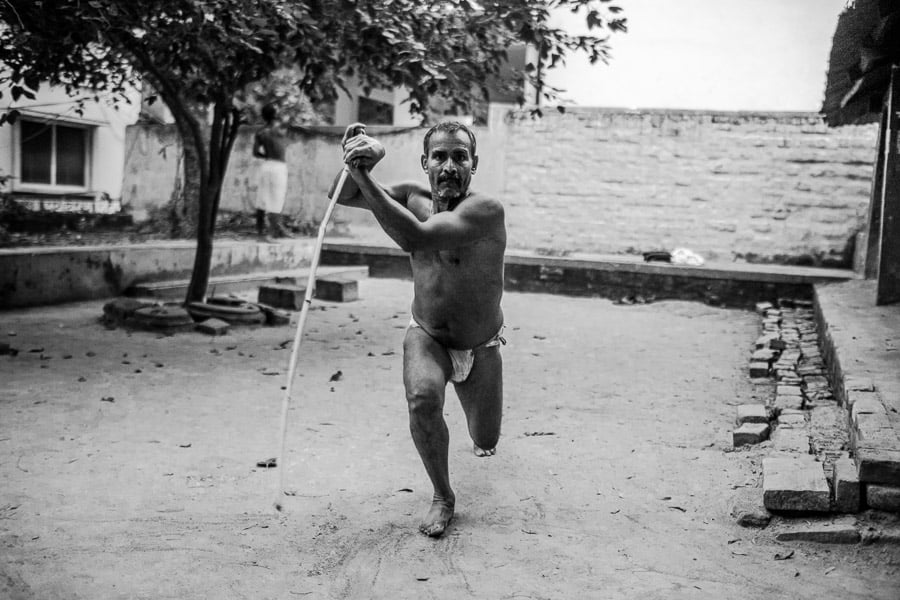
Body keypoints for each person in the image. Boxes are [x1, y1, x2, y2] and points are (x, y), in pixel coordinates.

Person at [331, 121, 507, 538]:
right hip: (427, 334)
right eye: (440, 156)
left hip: (480, 344)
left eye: (460, 157)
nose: (449, 165)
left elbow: (416, 238)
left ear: (474, 164)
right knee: (422, 398)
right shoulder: (412, 196)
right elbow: (338, 194)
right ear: (425, 162)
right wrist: (356, 160)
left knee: (485, 438)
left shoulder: (485, 211)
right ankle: (443, 496)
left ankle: (479, 423)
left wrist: (364, 176)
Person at [253, 103, 292, 240]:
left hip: (266, 165)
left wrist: (268, 156)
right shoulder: (280, 128)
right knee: (276, 199)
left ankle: (260, 233)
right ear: (275, 114)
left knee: (261, 200)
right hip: (279, 167)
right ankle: (271, 234)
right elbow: (291, 117)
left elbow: (256, 152)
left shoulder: (260, 132)